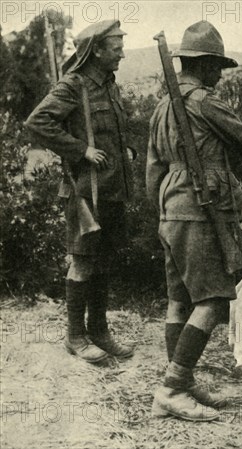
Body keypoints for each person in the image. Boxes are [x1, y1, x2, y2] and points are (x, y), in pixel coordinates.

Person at [146, 21, 242, 422]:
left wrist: (163, 211)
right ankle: (170, 390)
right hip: (200, 207)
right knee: (215, 298)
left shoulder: (164, 105)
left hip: (171, 206)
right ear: (205, 64)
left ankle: (181, 379)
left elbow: (152, 168)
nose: (219, 75)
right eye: (217, 66)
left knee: (179, 298)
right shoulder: (204, 102)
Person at [25, 20, 134, 363]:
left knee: (104, 262)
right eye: (115, 49)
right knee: (84, 263)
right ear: (96, 51)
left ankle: (98, 331)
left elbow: (116, 132)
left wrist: (125, 149)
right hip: (84, 191)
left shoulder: (110, 85)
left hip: (112, 189)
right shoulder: (73, 85)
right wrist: (80, 150)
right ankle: (75, 337)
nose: (122, 53)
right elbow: (37, 122)